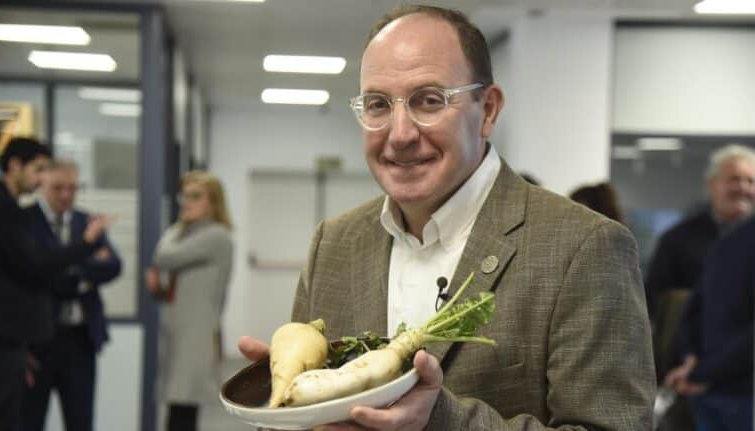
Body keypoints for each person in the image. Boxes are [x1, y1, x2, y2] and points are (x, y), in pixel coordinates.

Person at [238, 5, 655, 430]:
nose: (400, 134)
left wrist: (442, 420)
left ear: (488, 109)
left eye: (429, 101)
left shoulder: (585, 248)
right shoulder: (334, 244)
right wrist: (286, 408)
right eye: (378, 105)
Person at [0, 138, 108, 431]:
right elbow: (38, 267)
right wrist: (86, 247)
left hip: (43, 341)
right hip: (9, 342)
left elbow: (111, 265)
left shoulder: (79, 219)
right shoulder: (3, 209)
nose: (41, 178)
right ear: (15, 166)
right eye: (39, 170)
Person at [22, 159, 122, 431]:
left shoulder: (85, 221)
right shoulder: (25, 221)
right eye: (58, 188)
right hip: (37, 343)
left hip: (80, 340)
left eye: (72, 188)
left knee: (80, 420)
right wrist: (83, 270)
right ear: (42, 184)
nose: (66, 194)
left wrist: (68, 272)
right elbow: (37, 273)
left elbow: (113, 265)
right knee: (29, 420)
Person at [145, 171, 233, 431]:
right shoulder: (194, 236)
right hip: (181, 334)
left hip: (196, 337)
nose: (186, 201)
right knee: (180, 408)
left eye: (195, 196)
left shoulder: (216, 236)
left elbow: (163, 256)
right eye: (184, 195)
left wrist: (178, 224)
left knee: (182, 409)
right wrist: (160, 291)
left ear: (213, 202)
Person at [665, 216, 754, 430]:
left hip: (711, 386)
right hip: (736, 391)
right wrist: (698, 371)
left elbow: (693, 309)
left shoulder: (730, 238)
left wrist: (692, 364)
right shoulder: (732, 239)